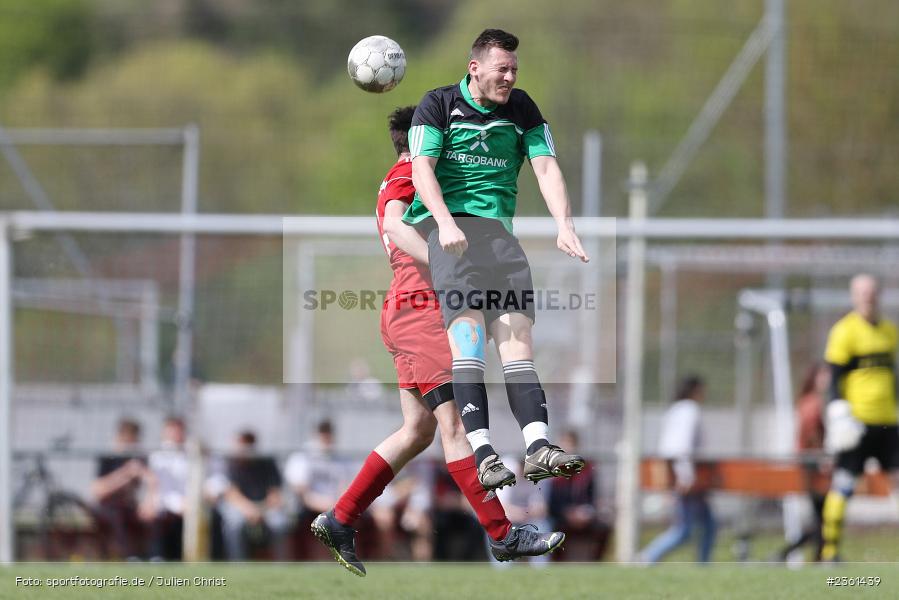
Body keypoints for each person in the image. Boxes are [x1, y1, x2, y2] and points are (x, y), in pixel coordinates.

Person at [311, 105, 564, 578]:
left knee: (417, 432)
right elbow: (393, 223)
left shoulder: (415, 171)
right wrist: (445, 258)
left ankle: (340, 518)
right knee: (456, 427)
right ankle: (502, 535)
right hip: (422, 308)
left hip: (409, 308)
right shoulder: (411, 169)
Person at [403, 28, 588, 490]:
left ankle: (538, 446)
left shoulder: (522, 108)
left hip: (501, 240)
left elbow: (545, 166)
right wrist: (445, 222)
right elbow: (422, 168)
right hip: (453, 237)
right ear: (475, 68)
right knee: (469, 342)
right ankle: (484, 453)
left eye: (514, 70)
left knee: (518, 341)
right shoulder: (438, 104)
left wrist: (564, 224)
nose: (509, 77)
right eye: (502, 69)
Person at [820, 274, 898, 561]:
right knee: (844, 484)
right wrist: (838, 412)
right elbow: (834, 378)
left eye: (872, 292)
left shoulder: (890, 331)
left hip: (888, 421)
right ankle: (830, 550)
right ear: (854, 296)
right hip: (856, 423)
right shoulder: (844, 331)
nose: (868, 297)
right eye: (863, 293)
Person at [639, 375, 716, 564]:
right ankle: (647, 557)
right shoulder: (689, 410)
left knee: (708, 525)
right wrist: (686, 476)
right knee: (684, 530)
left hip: (682, 474)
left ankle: (704, 565)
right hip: (687, 477)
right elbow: (682, 445)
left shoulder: (675, 410)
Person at [771, 363, 830, 562]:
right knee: (822, 516)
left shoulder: (807, 401)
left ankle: (817, 556)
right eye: (823, 375)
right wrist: (820, 457)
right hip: (812, 464)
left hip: (808, 462)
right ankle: (788, 553)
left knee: (821, 515)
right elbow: (810, 433)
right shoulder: (812, 402)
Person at [211, 430, 289, 560]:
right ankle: (239, 565)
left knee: (279, 524)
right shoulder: (230, 463)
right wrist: (250, 510)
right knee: (234, 524)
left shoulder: (267, 462)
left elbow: (275, 494)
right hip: (241, 507)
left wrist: (261, 510)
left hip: (265, 507)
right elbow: (232, 494)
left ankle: (281, 564)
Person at [547, 430, 611, 561]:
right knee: (551, 529)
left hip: (583, 516)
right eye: (565, 443)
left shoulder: (586, 470)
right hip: (560, 516)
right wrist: (567, 513)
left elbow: (592, 499)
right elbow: (550, 503)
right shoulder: (552, 471)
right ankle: (557, 564)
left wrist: (585, 513)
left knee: (604, 527)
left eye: (571, 444)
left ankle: (594, 563)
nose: (568, 447)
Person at [91, 418, 147, 559]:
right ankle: (126, 556)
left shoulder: (138, 460)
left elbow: (148, 483)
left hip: (129, 506)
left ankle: (153, 556)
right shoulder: (108, 458)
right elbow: (98, 490)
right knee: (117, 515)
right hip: (108, 506)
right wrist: (124, 475)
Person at [140, 415, 189, 561]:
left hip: (186, 505)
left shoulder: (191, 453)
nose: (176, 434)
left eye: (178, 430)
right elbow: (159, 489)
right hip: (164, 504)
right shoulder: (157, 456)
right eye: (172, 430)